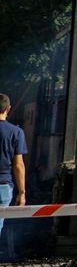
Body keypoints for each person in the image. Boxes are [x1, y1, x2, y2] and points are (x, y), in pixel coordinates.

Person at [0, 94, 26, 255]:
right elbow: (18, 165)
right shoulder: (16, 132)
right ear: (8, 109)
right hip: (2, 186)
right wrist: (22, 192)